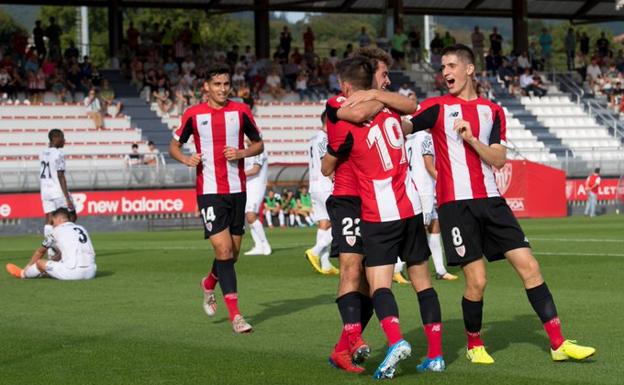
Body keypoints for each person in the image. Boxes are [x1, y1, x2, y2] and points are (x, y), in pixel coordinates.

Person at [403, 44, 595, 365]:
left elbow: (499, 158)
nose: (445, 72)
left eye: (451, 65)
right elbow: (406, 126)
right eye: (443, 67)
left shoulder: (492, 111)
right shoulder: (436, 107)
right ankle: (474, 343)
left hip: (492, 202)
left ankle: (558, 343)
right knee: (477, 281)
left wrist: (471, 140)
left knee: (530, 267)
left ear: (469, 69)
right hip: (456, 206)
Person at [323, 56, 443, 379]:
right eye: (383, 74)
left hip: (381, 205)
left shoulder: (384, 105)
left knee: (373, 284)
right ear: (365, 77)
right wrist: (373, 98)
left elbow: (410, 104)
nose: (388, 80)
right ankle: (355, 339)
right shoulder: (342, 101)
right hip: (353, 199)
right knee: (352, 270)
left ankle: (350, 346)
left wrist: (375, 96)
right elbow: (401, 107)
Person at [169, 64, 264, 333]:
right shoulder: (194, 114)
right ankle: (236, 316)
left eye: (226, 84)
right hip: (209, 191)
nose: (222, 89)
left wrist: (242, 154)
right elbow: (173, 145)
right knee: (223, 251)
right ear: (206, 88)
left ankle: (209, 283)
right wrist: (186, 158)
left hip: (237, 189)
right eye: (217, 84)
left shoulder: (241, 111)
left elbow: (259, 143)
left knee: (232, 255)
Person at [404, 115, 458, 282]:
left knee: (435, 227)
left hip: (416, 187)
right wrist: (445, 183)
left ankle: (440, 270)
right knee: (416, 231)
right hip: (424, 190)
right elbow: (429, 166)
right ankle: (397, 267)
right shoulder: (426, 138)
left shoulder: (409, 140)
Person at [6, 208, 96, 281]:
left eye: (53, 221)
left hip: (74, 273)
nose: (53, 225)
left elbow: (40, 252)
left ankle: (22, 274)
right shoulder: (81, 228)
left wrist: (27, 268)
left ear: (59, 219)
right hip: (91, 272)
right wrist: (52, 260)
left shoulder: (55, 231)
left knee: (39, 263)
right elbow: (61, 254)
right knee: (59, 258)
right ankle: (46, 272)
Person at [305, 112, 339, 275]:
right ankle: (315, 251)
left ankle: (325, 264)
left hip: (314, 185)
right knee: (340, 223)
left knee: (324, 223)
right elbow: (327, 164)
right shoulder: (324, 139)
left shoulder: (313, 138)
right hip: (326, 186)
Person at [40, 129, 76, 257]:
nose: (64, 140)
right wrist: (67, 198)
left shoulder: (43, 152)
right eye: (62, 137)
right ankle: (66, 247)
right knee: (72, 216)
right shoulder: (59, 153)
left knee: (49, 220)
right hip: (57, 191)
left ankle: (51, 250)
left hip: (45, 191)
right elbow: (60, 175)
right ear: (56, 137)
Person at [244, 142, 272, 255]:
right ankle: (258, 246)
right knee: (249, 216)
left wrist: (238, 174)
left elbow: (255, 170)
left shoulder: (259, 151)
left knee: (251, 215)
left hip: (256, 186)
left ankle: (265, 244)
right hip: (249, 186)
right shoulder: (249, 152)